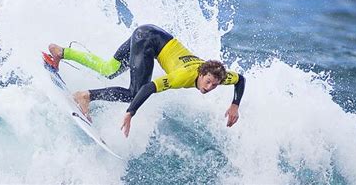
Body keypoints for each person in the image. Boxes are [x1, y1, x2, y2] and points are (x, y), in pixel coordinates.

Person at [47, 24, 245, 137]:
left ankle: (62, 52)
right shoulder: (183, 76)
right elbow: (149, 88)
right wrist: (130, 113)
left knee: (109, 69)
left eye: (214, 85)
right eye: (207, 81)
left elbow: (240, 79)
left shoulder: (220, 74)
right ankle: (85, 96)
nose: (209, 87)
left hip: (147, 31)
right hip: (147, 40)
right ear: (201, 73)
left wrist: (235, 104)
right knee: (135, 91)